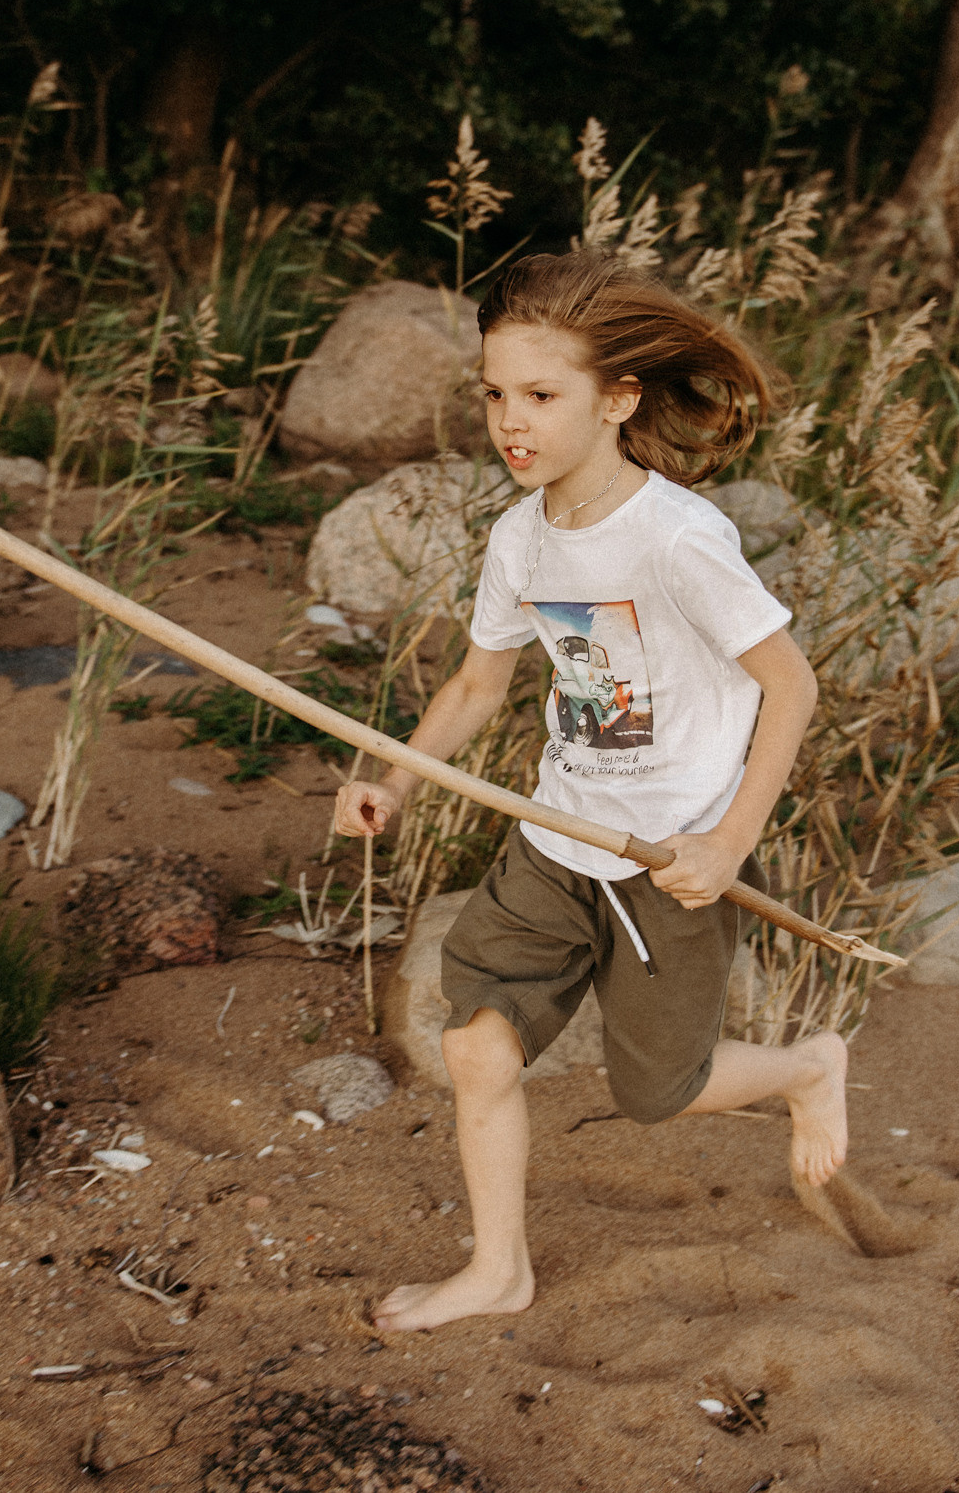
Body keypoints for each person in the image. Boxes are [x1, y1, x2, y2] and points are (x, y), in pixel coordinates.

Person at [332, 251, 847, 1334]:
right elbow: (480, 682)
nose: (510, 422)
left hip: (673, 862)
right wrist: (398, 784)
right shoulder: (520, 538)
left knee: (658, 1091)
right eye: (494, 394)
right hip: (557, 838)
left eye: (540, 395)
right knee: (477, 1041)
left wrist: (726, 841)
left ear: (617, 401)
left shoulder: (677, 540)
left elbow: (789, 686)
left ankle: (807, 1066)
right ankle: (499, 1270)